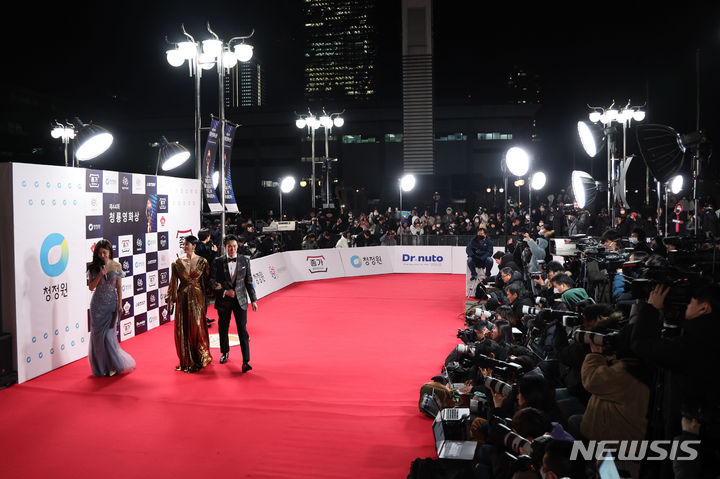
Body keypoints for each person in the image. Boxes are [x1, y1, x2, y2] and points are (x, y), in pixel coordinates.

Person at [87, 239, 135, 377]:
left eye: (105, 253)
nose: (102, 255)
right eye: (100, 253)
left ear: (110, 252)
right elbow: (91, 287)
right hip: (97, 306)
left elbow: (119, 287)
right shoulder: (93, 267)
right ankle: (101, 368)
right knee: (97, 339)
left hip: (111, 305)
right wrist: (100, 275)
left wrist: (120, 305)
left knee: (109, 336)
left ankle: (113, 365)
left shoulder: (117, 265)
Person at [210, 234, 258, 372]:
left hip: (241, 300)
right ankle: (224, 352)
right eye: (229, 247)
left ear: (238, 246)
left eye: (235, 246)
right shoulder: (217, 261)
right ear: (225, 247)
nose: (232, 249)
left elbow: (248, 281)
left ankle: (246, 361)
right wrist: (225, 291)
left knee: (243, 330)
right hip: (224, 301)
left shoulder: (244, 260)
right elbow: (211, 281)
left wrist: (253, 299)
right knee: (223, 328)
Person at [166, 235, 212, 373]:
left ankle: (202, 355)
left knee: (198, 326)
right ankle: (187, 359)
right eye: (184, 244)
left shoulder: (203, 262)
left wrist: (208, 298)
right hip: (183, 298)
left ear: (194, 246)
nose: (185, 247)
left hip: (198, 297)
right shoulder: (176, 263)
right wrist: (171, 300)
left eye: (187, 244)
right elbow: (173, 283)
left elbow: (206, 282)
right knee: (184, 328)